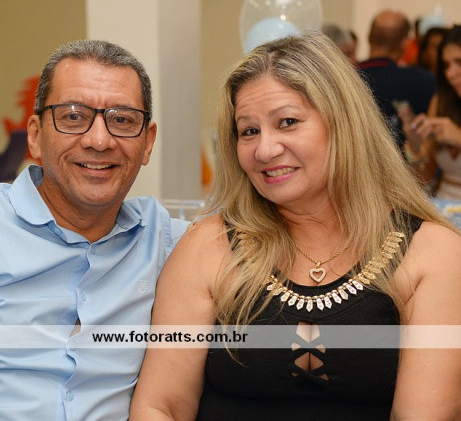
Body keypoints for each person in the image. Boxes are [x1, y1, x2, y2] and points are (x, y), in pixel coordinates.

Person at [129, 32, 461, 420]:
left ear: (344, 124)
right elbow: (160, 405)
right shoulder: (208, 245)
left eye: (287, 122)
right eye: (249, 131)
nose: (265, 150)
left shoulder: (432, 253)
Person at [0, 39, 189, 420]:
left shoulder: (168, 244)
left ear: (147, 142)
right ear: (35, 135)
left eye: (122, 120)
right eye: (73, 116)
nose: (99, 140)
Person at [358, 9, 435, 152]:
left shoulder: (345, 78)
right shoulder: (424, 82)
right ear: (404, 44)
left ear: (369, 37)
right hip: (404, 164)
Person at [403, 25, 461, 200]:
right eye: (446, 65)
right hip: (442, 206)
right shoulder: (440, 102)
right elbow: (424, 178)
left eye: (459, 62)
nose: (450, 73)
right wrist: (415, 147)